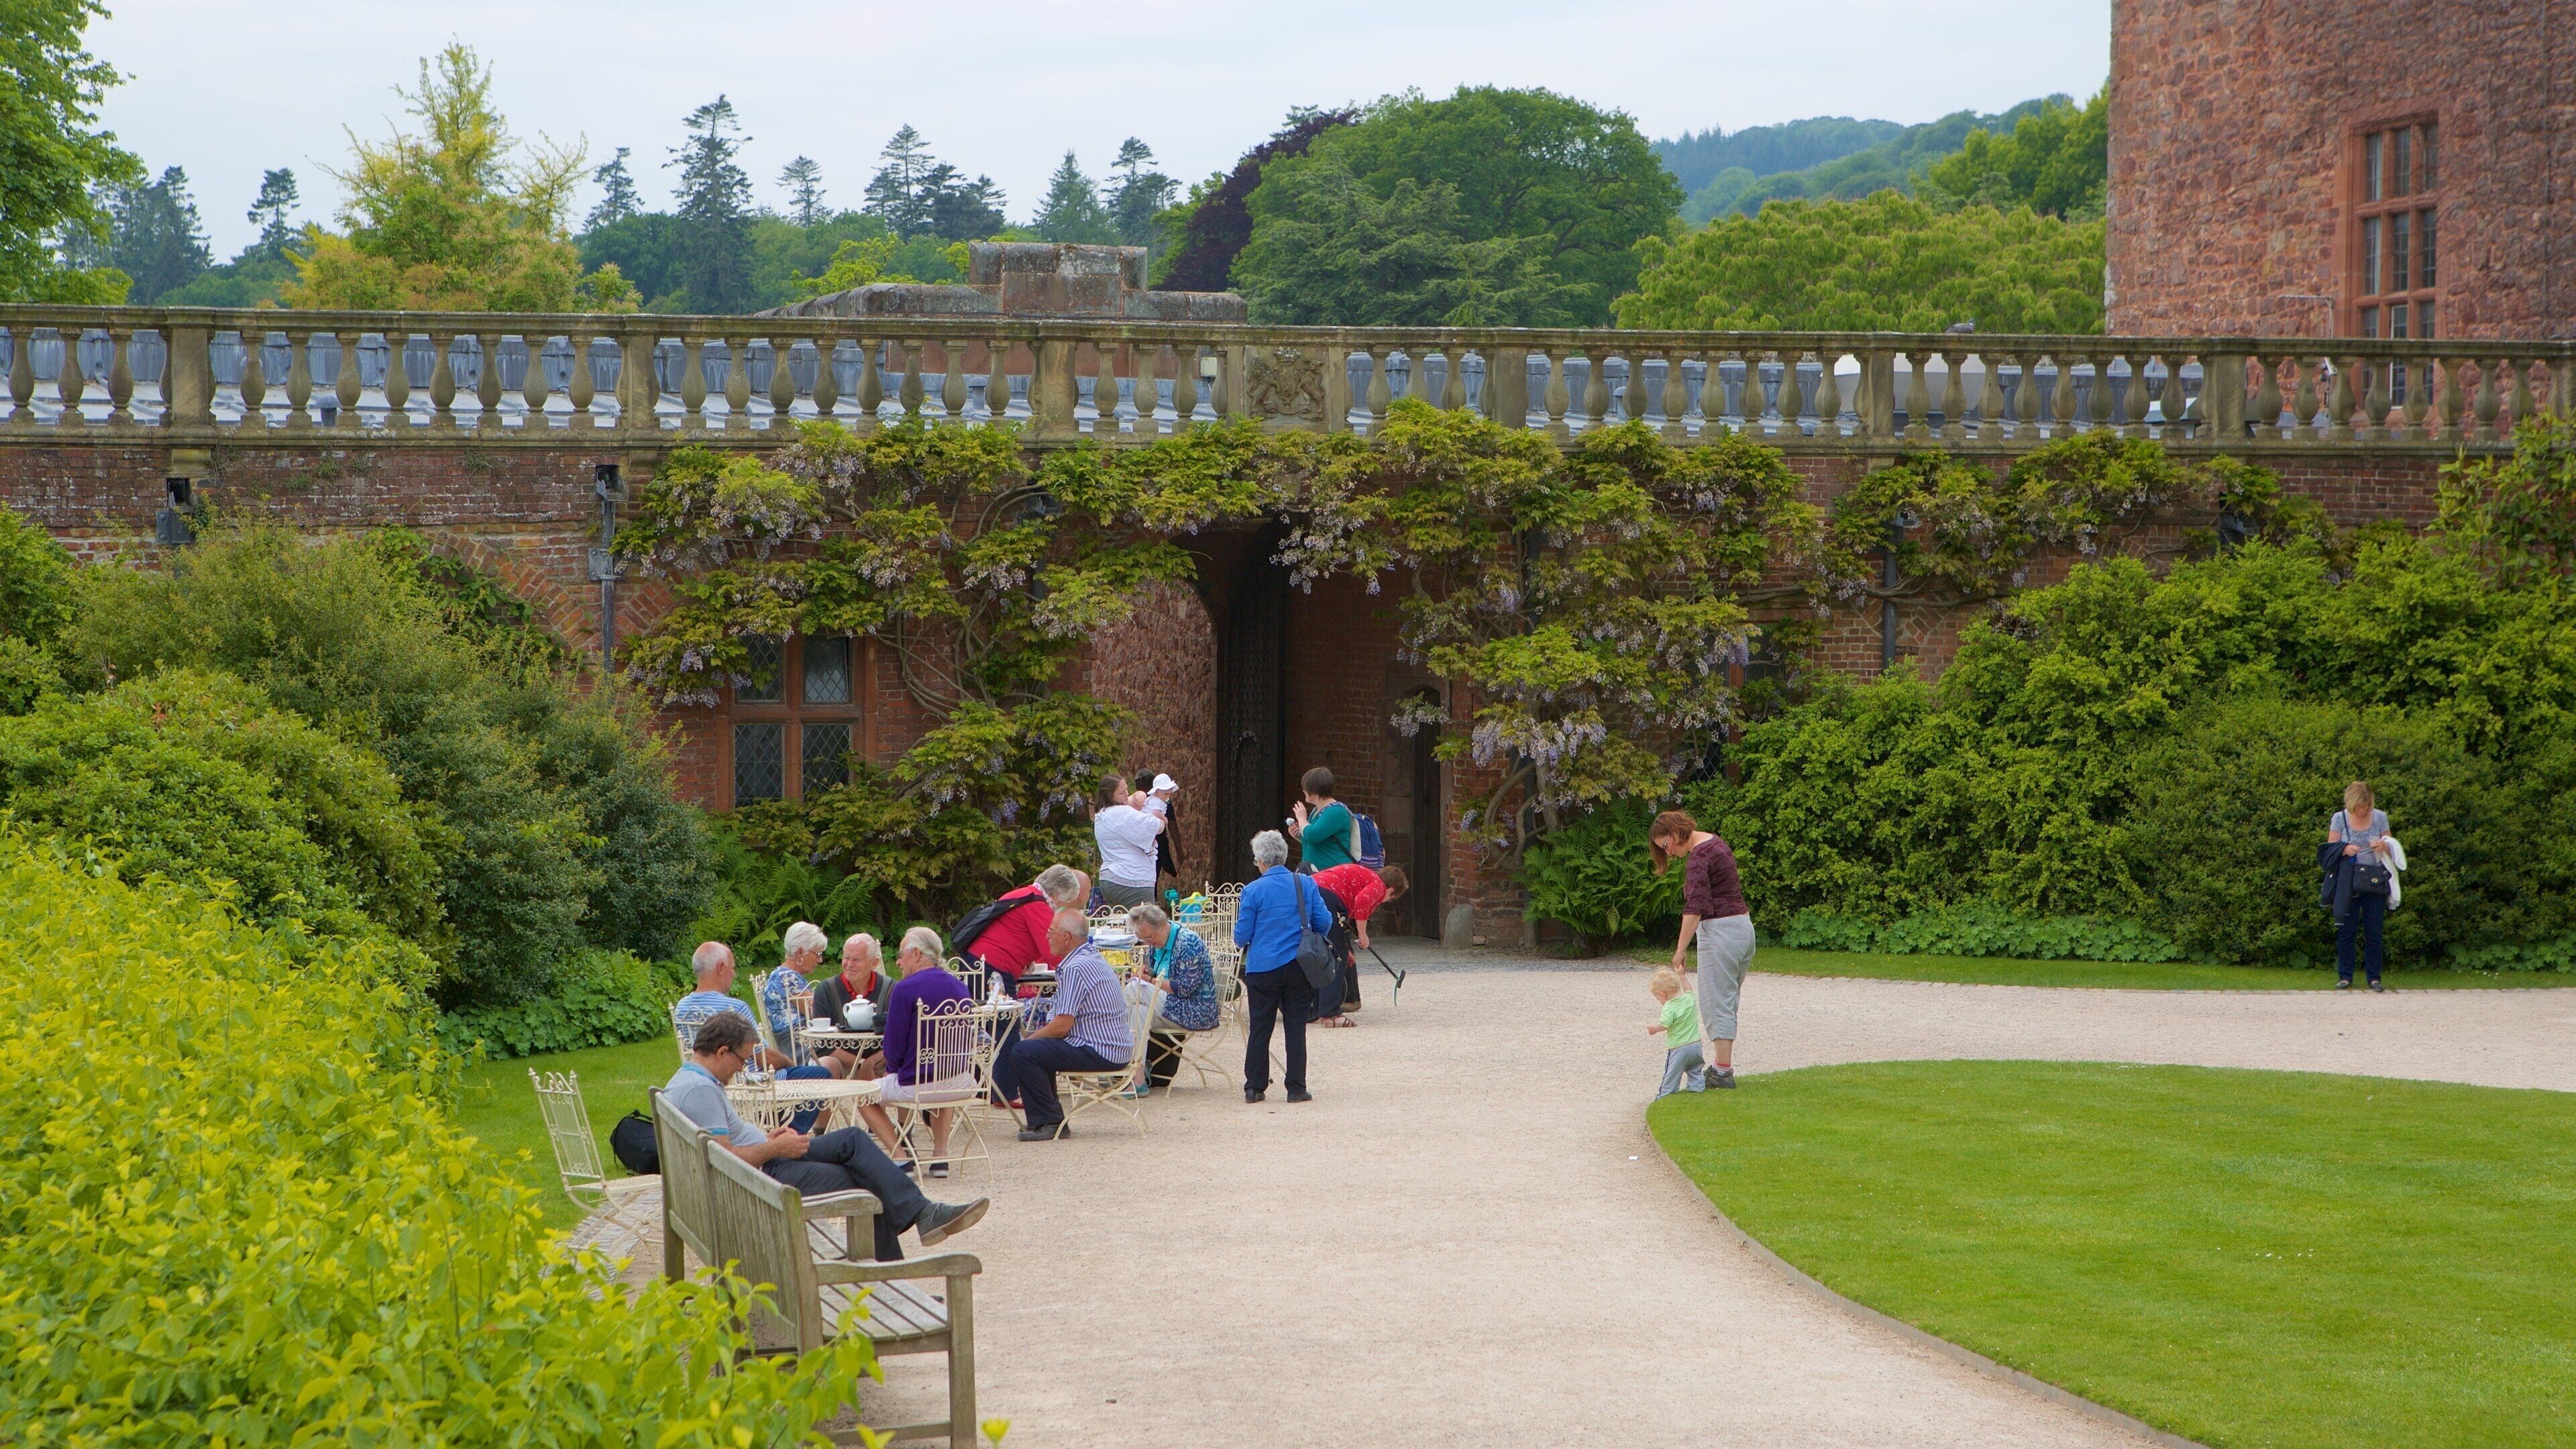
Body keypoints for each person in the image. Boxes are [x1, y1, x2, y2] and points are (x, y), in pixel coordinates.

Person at [662, 1012, 987, 1260]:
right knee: (866, 1181)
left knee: (852, 1140)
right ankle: (902, 1260)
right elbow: (722, 1159)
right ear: (721, 1052)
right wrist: (773, 1147)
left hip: (766, 1163)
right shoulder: (700, 1091)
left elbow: (724, 1147)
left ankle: (922, 1216)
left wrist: (768, 1139)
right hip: (759, 1179)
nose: (742, 1069)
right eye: (743, 1060)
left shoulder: (690, 1081)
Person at [992, 909, 1134, 1140]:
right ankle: (1049, 1118)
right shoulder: (1090, 957)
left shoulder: (1075, 967)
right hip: (1114, 1046)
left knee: (1024, 1051)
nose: (1047, 936)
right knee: (1036, 1050)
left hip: (1100, 1049)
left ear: (1066, 937)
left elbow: (1061, 1026)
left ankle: (1050, 1122)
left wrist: (1030, 1040)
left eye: (1051, 932)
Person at [676, 940, 841, 1127]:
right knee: (821, 1075)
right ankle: (789, 1136)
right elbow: (762, 1057)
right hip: (752, 1083)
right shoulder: (735, 1009)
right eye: (733, 968)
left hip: (710, 1081)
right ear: (721, 968)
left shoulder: (682, 1008)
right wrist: (788, 1063)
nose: (734, 974)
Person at [855, 927, 975, 1175]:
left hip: (917, 1083)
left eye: (901, 954)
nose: (898, 961)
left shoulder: (905, 989)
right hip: (960, 1080)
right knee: (941, 1074)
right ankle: (940, 1156)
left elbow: (894, 1049)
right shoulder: (960, 987)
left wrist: (891, 1071)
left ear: (917, 954)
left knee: (862, 1095)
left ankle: (900, 1158)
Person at [1650, 810, 1751, 1090]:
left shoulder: (1698, 857)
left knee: (1715, 1002)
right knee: (1728, 999)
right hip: (1744, 929)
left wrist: (1680, 950)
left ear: (1676, 832)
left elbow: (1695, 908)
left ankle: (1722, 1073)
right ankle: (1722, 1067)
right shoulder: (1717, 843)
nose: (1668, 851)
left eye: (1666, 844)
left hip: (1720, 933)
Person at [1234, 829, 1333, 1104]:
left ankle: (1254, 1087)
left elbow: (1242, 936)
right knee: (1295, 1026)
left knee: (1260, 1027)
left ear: (1261, 861)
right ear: (1284, 856)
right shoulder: (1304, 884)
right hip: (1299, 965)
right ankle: (1296, 1087)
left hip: (1263, 966)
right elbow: (1324, 922)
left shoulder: (1253, 890)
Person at [1124, 901, 1220, 1089]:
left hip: (1194, 1008)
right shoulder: (1156, 942)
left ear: (1161, 925)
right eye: (1144, 939)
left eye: (1149, 938)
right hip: (1170, 1006)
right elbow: (1159, 973)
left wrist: (1148, 981)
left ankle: (1110, 1048)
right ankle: (1138, 1078)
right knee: (1138, 1013)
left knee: (1135, 989)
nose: (1148, 943)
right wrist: (1148, 972)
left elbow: (1185, 989)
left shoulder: (1188, 942)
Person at [963, 863, 1089, 996]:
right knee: (1005, 1015)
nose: (1065, 909)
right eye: (1068, 902)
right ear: (1058, 895)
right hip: (995, 967)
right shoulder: (1037, 905)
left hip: (980, 961)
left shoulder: (1025, 895)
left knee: (988, 1014)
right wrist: (1085, 965)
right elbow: (1053, 950)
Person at [1309, 862, 1408, 1026]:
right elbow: (1361, 903)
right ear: (1391, 891)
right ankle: (1330, 1014)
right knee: (1336, 956)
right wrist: (1363, 936)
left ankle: (1321, 1006)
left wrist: (1347, 949)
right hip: (1328, 895)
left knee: (1329, 951)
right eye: (1390, 899)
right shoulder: (1378, 886)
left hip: (1315, 891)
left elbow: (1342, 926)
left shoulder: (1366, 877)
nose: (1384, 901)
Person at [2327, 780, 2398, 991]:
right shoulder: (2340, 818)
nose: (2362, 810)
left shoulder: (2380, 817)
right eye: (2359, 806)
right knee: (2346, 930)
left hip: (2375, 879)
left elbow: (2393, 848)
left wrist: (2383, 845)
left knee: (2374, 929)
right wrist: (2345, 849)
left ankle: (2374, 977)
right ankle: (2345, 976)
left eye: (2366, 806)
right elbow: (2330, 849)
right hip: (2349, 881)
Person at [808, 931, 894, 1075]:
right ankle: (830, 1098)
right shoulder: (827, 989)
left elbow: (898, 1038)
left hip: (879, 1063)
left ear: (874, 963)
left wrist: (871, 1064)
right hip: (841, 1062)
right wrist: (860, 1064)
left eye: (856, 960)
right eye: (846, 958)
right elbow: (820, 1043)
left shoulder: (890, 989)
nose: (849, 965)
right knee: (827, 1065)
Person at [1092, 775, 1165, 910]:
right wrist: (1161, 819)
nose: (1126, 794)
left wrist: (1139, 795)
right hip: (1132, 880)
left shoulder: (1102, 813)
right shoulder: (1122, 813)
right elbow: (1157, 827)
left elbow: (1130, 801)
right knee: (1146, 927)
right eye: (1121, 792)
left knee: (1121, 927)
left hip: (1109, 880)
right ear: (1110, 795)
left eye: (1127, 790)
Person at [1286, 767, 1361, 874]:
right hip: (1319, 873)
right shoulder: (1316, 811)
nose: (1304, 791)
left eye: (1305, 788)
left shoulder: (1336, 811)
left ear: (1314, 789)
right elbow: (1319, 842)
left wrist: (1302, 818)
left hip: (1334, 873)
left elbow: (1312, 836)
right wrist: (1299, 836)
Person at [1646, 967, 1707, 1097]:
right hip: (1695, 1044)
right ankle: (1697, 1088)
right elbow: (1688, 989)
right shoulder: (1689, 999)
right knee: (1695, 1070)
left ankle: (1665, 1094)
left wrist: (1654, 1029)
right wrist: (1682, 976)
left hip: (1679, 1048)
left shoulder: (1670, 1006)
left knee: (1672, 1073)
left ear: (1663, 994)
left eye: (1658, 999)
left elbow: (1664, 1025)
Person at [1140, 771, 1184, 888]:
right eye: (1166, 794)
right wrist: (1164, 819)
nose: (1168, 797)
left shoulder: (1154, 801)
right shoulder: (1157, 802)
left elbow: (1173, 826)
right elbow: (1156, 814)